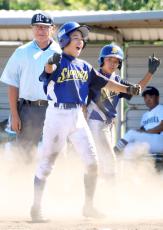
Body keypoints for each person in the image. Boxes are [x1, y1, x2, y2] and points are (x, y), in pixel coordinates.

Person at [30, 21, 141, 222]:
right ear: (63, 40)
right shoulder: (56, 61)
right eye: (75, 38)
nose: (80, 41)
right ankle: (36, 208)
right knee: (47, 165)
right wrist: (50, 64)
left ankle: (88, 207)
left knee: (92, 163)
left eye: (82, 39)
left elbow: (106, 81)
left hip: (77, 117)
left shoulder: (85, 66)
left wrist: (129, 89)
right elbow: (46, 72)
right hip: (57, 116)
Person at [87, 44, 160, 178]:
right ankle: (111, 192)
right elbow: (83, 104)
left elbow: (136, 90)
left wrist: (150, 73)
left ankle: (99, 188)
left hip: (108, 126)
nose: (113, 63)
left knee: (101, 161)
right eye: (109, 59)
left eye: (116, 61)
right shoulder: (94, 77)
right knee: (109, 160)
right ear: (102, 60)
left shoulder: (117, 80)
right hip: (95, 123)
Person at [0, 12, 61, 161]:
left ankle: (53, 184)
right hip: (27, 110)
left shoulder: (61, 53)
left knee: (55, 154)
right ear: (32, 29)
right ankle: (23, 183)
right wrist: (14, 115)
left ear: (52, 29)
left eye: (45, 27)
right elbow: (13, 84)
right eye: (37, 27)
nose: (41, 30)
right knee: (24, 155)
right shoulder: (21, 52)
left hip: (54, 109)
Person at [114, 86, 163, 157]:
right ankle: (130, 167)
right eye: (145, 97)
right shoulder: (145, 115)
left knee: (131, 133)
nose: (148, 99)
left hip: (160, 141)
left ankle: (114, 151)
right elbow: (141, 131)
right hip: (149, 143)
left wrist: (145, 132)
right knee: (129, 148)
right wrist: (139, 132)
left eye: (151, 97)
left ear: (157, 97)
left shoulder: (161, 109)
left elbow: (161, 127)